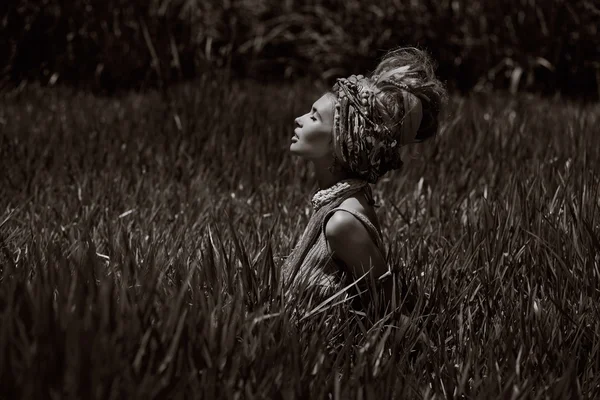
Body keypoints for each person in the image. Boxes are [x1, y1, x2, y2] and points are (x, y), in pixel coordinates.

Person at [283, 47, 447, 317]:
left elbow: (391, 309)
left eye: (314, 117)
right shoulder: (338, 201)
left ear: (342, 141)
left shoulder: (343, 222)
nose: (299, 120)